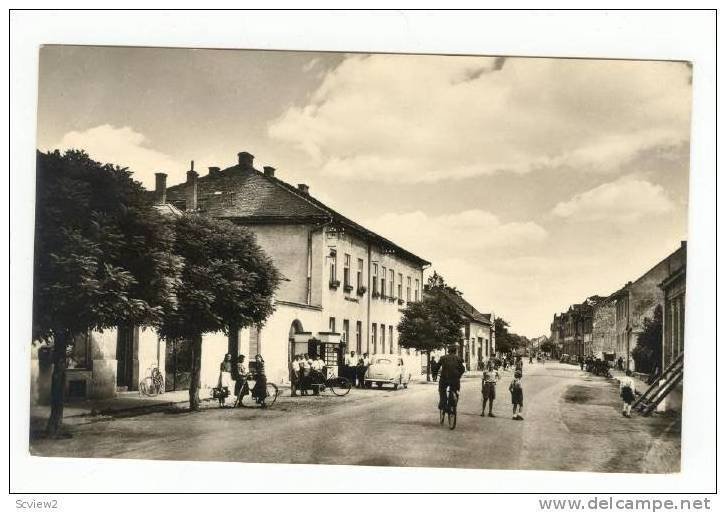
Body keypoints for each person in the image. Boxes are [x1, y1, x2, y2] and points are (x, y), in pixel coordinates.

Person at [437, 347, 465, 412]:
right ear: (455, 352)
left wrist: (435, 374)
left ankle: (443, 404)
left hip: (444, 378)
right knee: (456, 390)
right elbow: (463, 369)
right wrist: (459, 376)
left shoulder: (443, 358)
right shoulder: (459, 359)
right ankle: (453, 403)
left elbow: (437, 367)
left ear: (448, 351)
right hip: (455, 379)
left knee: (442, 390)